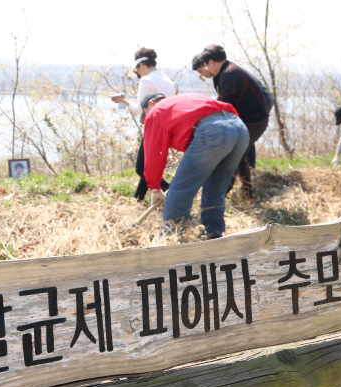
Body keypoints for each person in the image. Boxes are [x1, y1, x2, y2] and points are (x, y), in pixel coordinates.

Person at [142, 92, 249, 240]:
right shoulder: (182, 102)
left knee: (180, 189)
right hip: (239, 129)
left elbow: (154, 154)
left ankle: (170, 238)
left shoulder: (156, 111)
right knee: (215, 188)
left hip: (214, 131)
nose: (146, 121)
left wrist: (154, 188)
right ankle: (214, 235)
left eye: (144, 117)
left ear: (150, 105)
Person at [192, 45, 270, 199]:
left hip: (255, 120)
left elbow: (225, 106)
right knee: (239, 154)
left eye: (206, 65)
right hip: (246, 119)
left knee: (233, 154)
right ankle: (247, 194)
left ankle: (218, 195)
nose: (206, 69)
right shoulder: (224, 72)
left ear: (212, 62)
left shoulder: (228, 74)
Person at [111, 48, 176, 201]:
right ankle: (138, 198)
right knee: (148, 164)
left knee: (142, 168)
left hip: (154, 129)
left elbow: (140, 109)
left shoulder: (146, 80)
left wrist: (123, 100)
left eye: (137, 71)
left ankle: (174, 191)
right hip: (168, 127)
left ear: (141, 66)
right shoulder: (167, 80)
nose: (138, 74)